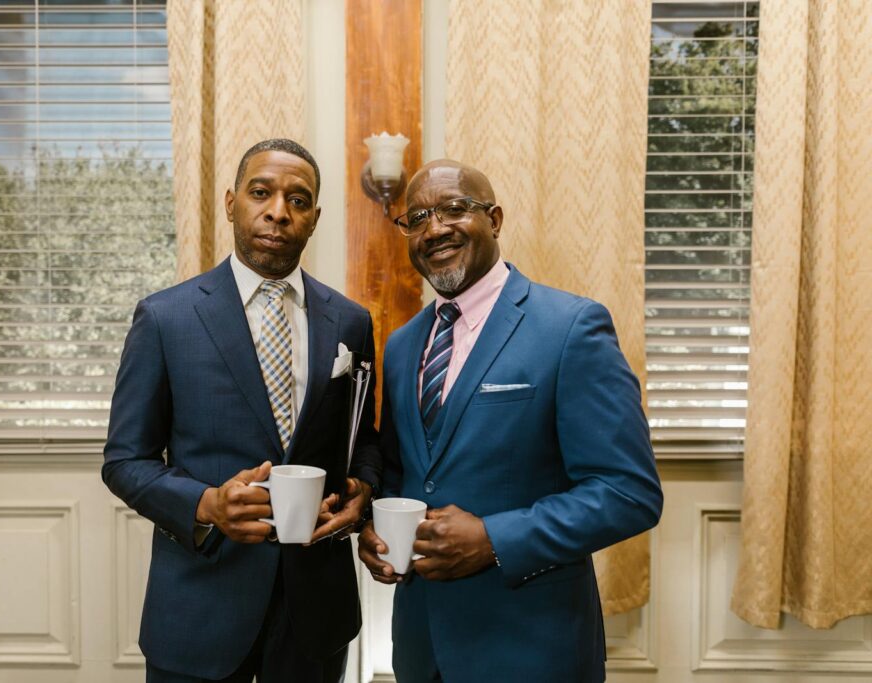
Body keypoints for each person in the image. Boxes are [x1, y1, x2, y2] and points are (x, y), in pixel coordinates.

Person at [358, 159, 663, 682]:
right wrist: (373, 529)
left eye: (455, 209)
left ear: (494, 219)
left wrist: (494, 539)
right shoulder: (405, 343)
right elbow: (403, 470)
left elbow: (629, 493)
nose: (435, 229)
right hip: (420, 646)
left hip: (532, 647)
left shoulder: (571, 328)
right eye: (418, 218)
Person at [103, 139, 379, 683]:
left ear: (315, 217)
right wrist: (205, 503)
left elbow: (363, 438)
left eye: (298, 200)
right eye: (262, 193)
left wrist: (363, 492)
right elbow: (124, 461)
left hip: (316, 613)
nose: (279, 210)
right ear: (232, 203)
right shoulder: (165, 319)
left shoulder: (350, 322)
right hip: (200, 607)